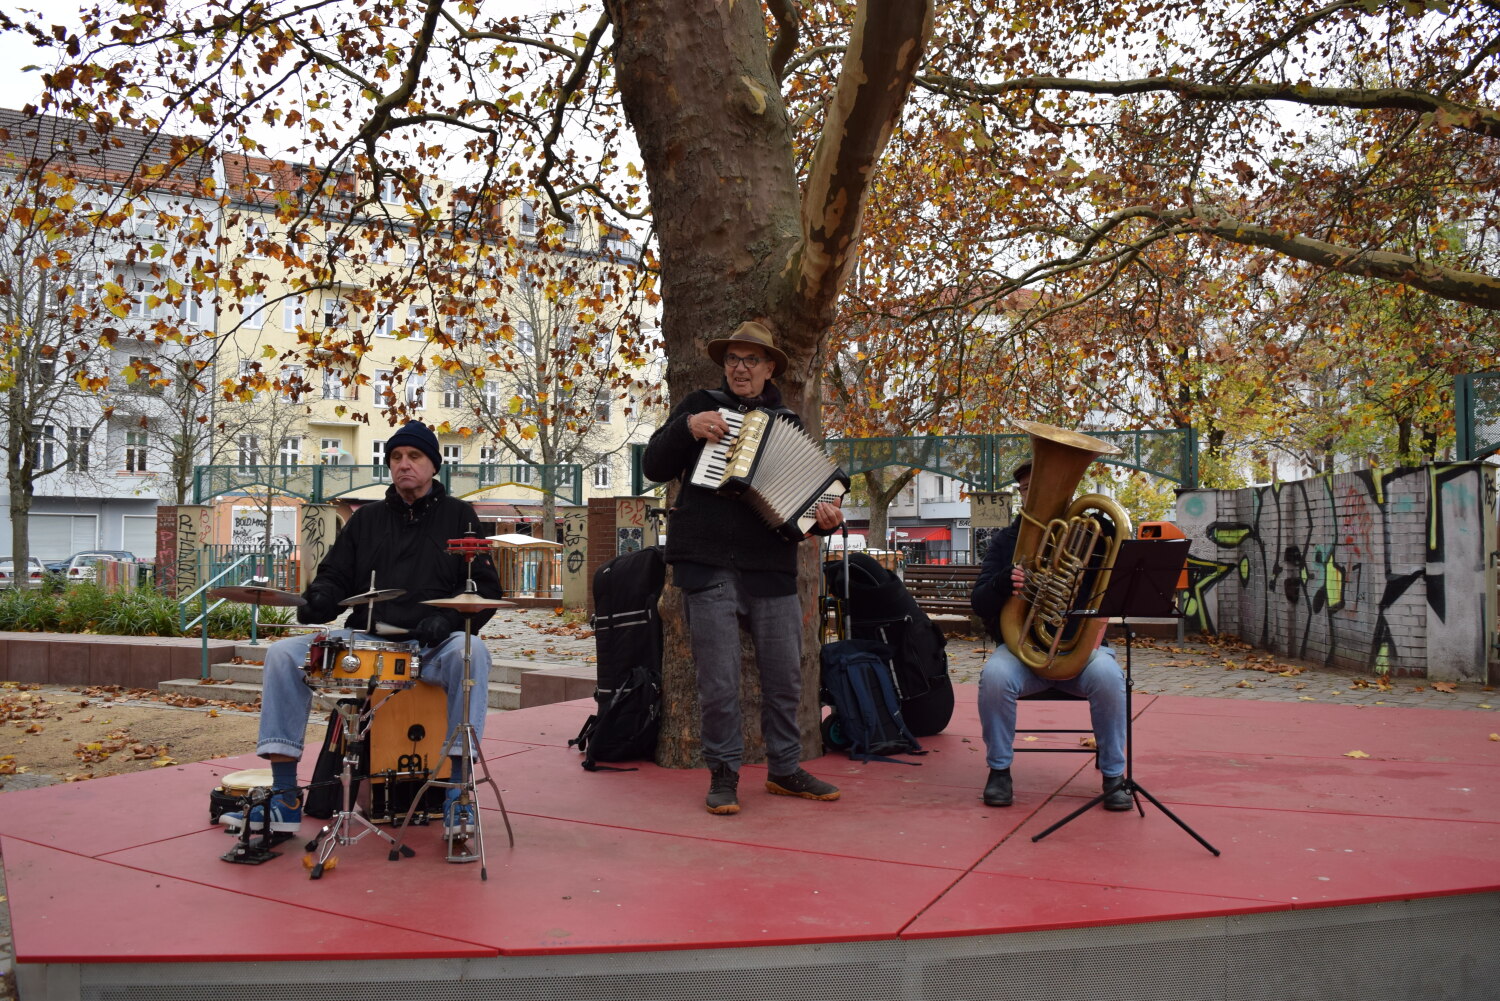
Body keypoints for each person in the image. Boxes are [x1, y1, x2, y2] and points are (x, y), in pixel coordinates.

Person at [220, 420, 504, 854]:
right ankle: (284, 797)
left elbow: (484, 592)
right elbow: (335, 576)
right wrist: (318, 599)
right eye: (395, 458)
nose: (403, 465)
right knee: (282, 654)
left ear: (433, 465)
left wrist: (448, 622)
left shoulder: (460, 517)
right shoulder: (366, 519)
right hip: (368, 644)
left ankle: (458, 793)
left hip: (430, 647)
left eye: (414, 457)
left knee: (473, 652)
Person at [642, 320, 845, 815]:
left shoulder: (788, 424)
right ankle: (724, 775)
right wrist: (685, 429)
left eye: (751, 360)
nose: (739, 368)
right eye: (732, 359)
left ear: (770, 367)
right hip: (705, 563)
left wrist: (823, 522)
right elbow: (653, 466)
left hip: (769, 569)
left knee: (785, 679)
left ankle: (785, 770)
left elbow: (799, 517)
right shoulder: (698, 406)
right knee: (719, 680)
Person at [969, 461, 1132, 811]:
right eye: (1029, 489)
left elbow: (1120, 585)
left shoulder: (1094, 537)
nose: (1037, 494)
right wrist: (1001, 583)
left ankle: (1114, 776)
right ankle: (999, 771)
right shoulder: (1005, 541)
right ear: (1021, 495)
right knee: (994, 677)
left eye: (1045, 486)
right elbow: (979, 603)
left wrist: (1105, 538)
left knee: (1108, 676)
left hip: (1081, 653)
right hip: (1022, 652)